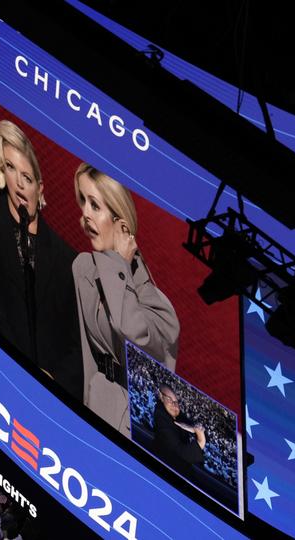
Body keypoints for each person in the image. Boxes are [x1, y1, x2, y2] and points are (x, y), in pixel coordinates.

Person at [0, 120, 83, 400]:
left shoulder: (66, 260)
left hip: (44, 396)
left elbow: (78, 347)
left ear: (40, 188)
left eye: (28, 176)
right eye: (11, 169)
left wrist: (54, 379)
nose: (20, 185)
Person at [71, 163, 180, 436]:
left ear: (122, 224)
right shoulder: (83, 269)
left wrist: (120, 263)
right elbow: (86, 355)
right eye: (83, 201)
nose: (84, 214)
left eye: (95, 206)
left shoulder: (159, 309)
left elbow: (129, 329)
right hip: (92, 407)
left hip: (132, 428)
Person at [153, 384, 205, 475]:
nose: (174, 404)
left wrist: (195, 429)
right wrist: (201, 439)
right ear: (161, 397)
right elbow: (182, 453)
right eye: (169, 399)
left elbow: (195, 425)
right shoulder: (161, 417)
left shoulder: (176, 415)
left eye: (176, 401)